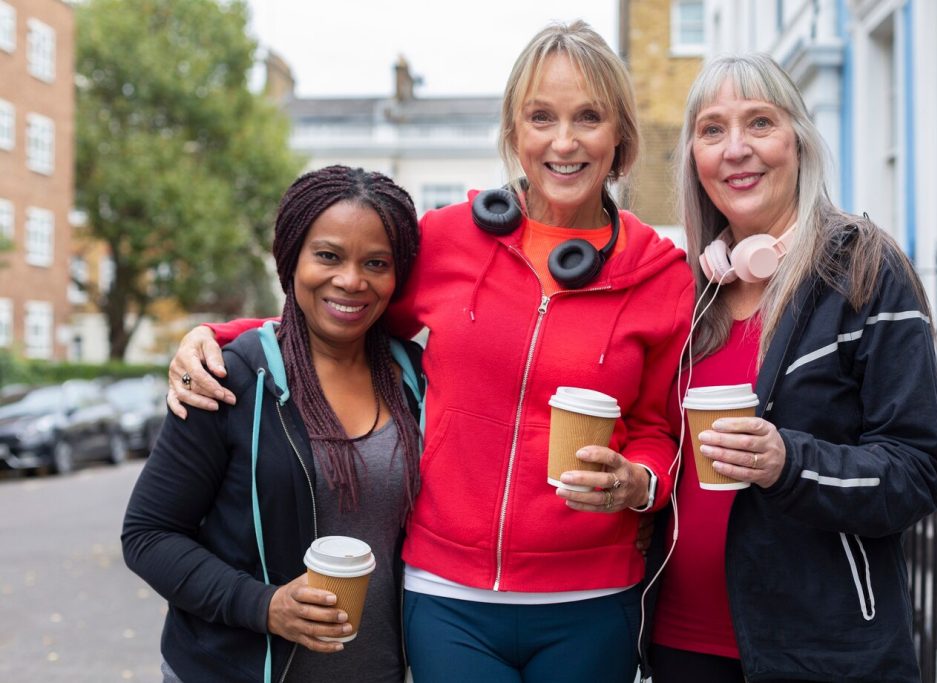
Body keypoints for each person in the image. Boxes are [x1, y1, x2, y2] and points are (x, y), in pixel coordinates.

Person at [165, 21, 694, 682]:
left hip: (591, 597)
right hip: (448, 596)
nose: (563, 140)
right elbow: (348, 308)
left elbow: (658, 428)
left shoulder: (662, 276)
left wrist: (639, 484)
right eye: (541, 116)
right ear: (514, 131)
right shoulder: (447, 241)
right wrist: (221, 336)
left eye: (588, 117)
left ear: (619, 134)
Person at [647, 53, 937, 682]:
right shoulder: (688, 290)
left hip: (822, 653)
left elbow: (918, 472)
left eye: (760, 123)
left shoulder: (865, 271)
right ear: (694, 158)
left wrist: (791, 463)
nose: (736, 149)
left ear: (800, 141)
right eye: (712, 130)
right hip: (679, 646)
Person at [122, 165, 426, 683]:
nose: (351, 280)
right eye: (328, 255)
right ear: (292, 258)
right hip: (237, 669)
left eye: (376, 262)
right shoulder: (229, 377)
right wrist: (265, 606)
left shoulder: (412, 379)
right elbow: (149, 535)